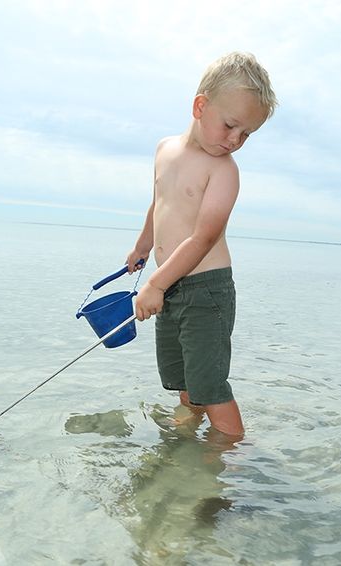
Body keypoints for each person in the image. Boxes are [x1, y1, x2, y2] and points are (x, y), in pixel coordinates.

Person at [125, 52, 278, 439]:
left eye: (246, 134)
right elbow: (159, 202)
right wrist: (143, 245)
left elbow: (204, 236)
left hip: (206, 290)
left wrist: (156, 284)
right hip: (169, 283)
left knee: (210, 385)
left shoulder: (224, 171)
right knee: (183, 379)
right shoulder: (164, 149)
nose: (235, 141)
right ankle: (187, 448)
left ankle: (229, 454)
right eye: (230, 126)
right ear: (200, 106)